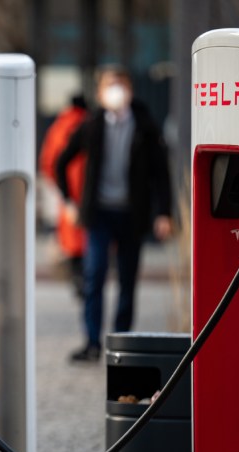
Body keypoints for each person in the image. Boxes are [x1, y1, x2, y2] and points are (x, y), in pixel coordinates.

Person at [55, 66, 173, 363]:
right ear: (100, 93)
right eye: (109, 85)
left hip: (132, 214)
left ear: (131, 90)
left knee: (127, 279)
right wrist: (69, 201)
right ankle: (92, 342)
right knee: (94, 276)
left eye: (121, 84)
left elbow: (162, 173)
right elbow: (61, 162)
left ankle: (121, 342)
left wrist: (164, 213)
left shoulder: (145, 125)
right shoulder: (91, 124)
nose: (116, 90)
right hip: (99, 214)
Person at [39, 94, 89, 298]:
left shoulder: (59, 126)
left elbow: (48, 161)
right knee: (89, 240)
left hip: (68, 190)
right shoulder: (91, 123)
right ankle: (87, 279)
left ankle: (78, 278)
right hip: (90, 191)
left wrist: (60, 185)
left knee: (72, 239)